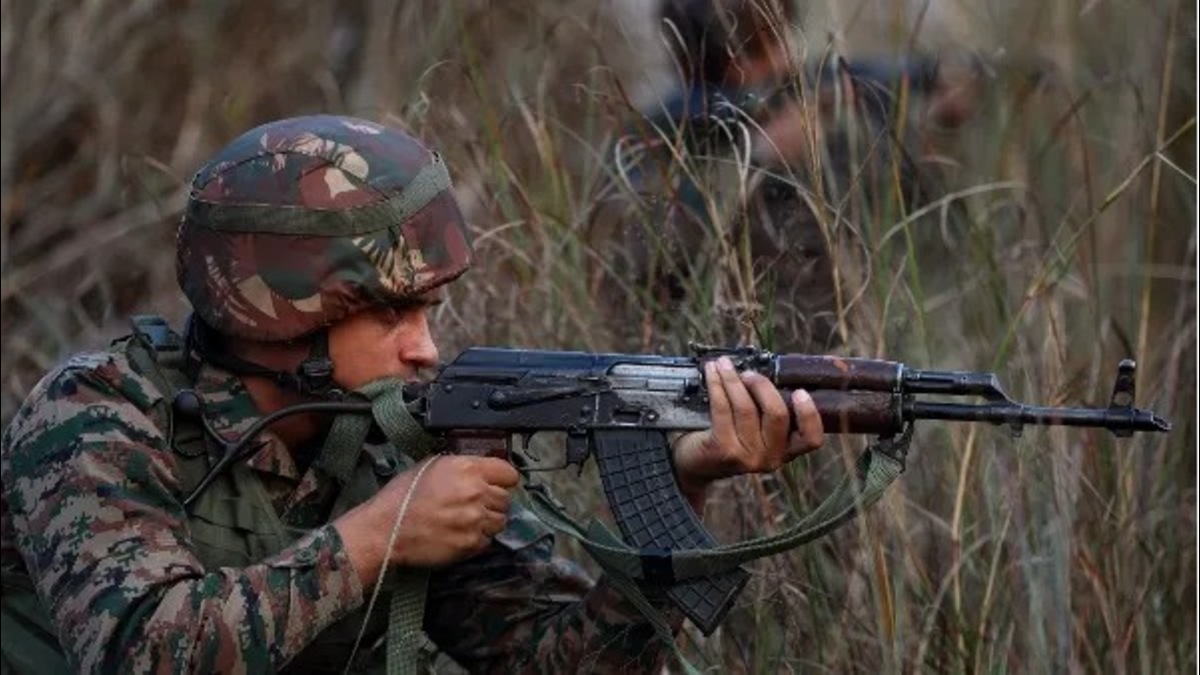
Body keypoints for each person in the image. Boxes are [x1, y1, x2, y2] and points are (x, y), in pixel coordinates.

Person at [0, 114, 826, 673]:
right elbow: (141, 650)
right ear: (286, 311)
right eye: (393, 312)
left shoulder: (391, 434)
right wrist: (380, 536)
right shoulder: (98, 414)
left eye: (429, 311)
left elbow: (558, 661)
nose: (425, 348)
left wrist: (682, 489)